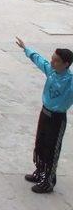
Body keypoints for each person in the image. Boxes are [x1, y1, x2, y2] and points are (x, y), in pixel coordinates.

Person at [16, 38, 72, 193]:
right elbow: (38, 59)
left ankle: (48, 181)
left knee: (52, 149)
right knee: (40, 144)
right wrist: (26, 48)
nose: (52, 62)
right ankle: (40, 172)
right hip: (44, 113)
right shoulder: (51, 71)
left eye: (56, 60)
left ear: (66, 64)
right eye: (53, 59)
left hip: (57, 118)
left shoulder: (71, 82)